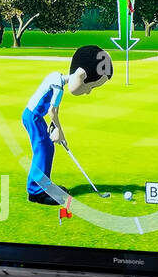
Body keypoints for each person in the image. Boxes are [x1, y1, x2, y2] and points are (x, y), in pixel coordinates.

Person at [21, 44, 113, 203]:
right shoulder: (58, 84)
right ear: (81, 75)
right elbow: (52, 111)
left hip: (36, 116)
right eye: (90, 86)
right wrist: (58, 130)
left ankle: (44, 186)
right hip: (33, 117)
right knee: (42, 150)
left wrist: (53, 126)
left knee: (47, 149)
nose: (88, 91)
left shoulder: (57, 78)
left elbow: (50, 111)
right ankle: (36, 191)